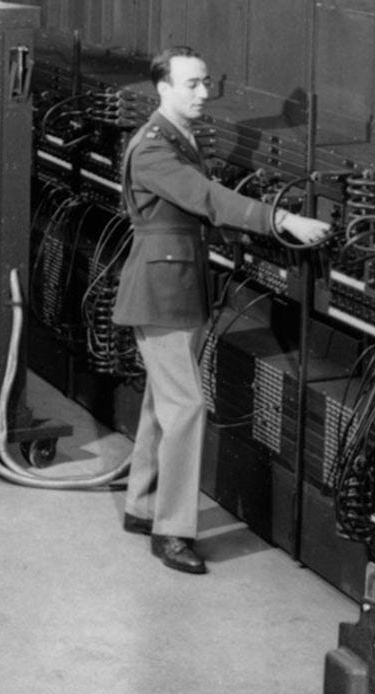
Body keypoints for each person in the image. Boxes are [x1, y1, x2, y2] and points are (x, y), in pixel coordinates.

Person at [113, 46, 330, 574]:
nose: (203, 93)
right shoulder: (153, 149)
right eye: (192, 84)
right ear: (162, 88)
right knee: (186, 407)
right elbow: (206, 197)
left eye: (207, 83)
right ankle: (172, 532)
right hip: (160, 291)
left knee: (161, 405)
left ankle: (142, 505)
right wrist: (282, 221)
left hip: (181, 285)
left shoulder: (178, 138)